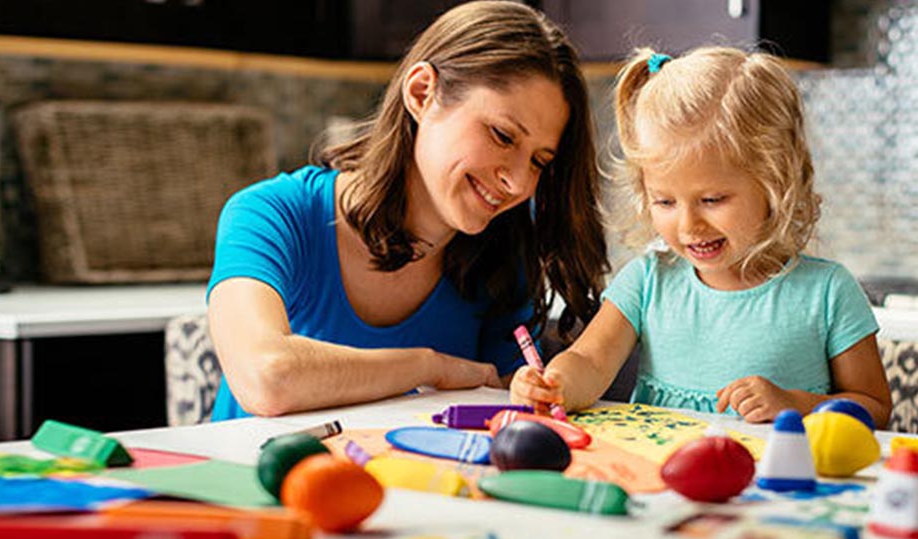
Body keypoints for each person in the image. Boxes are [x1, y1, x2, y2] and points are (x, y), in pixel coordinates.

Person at [207, 1, 609, 419]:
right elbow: (268, 378)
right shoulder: (270, 214)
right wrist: (429, 366)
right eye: (502, 136)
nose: (520, 184)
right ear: (422, 93)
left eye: (539, 161)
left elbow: (505, 403)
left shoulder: (502, 255)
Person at [510, 46, 893, 427]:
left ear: (775, 181)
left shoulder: (828, 292)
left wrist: (797, 403)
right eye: (665, 201)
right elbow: (589, 362)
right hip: (661, 480)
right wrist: (554, 384)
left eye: (712, 199)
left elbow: (873, 406)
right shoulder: (648, 282)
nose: (689, 224)